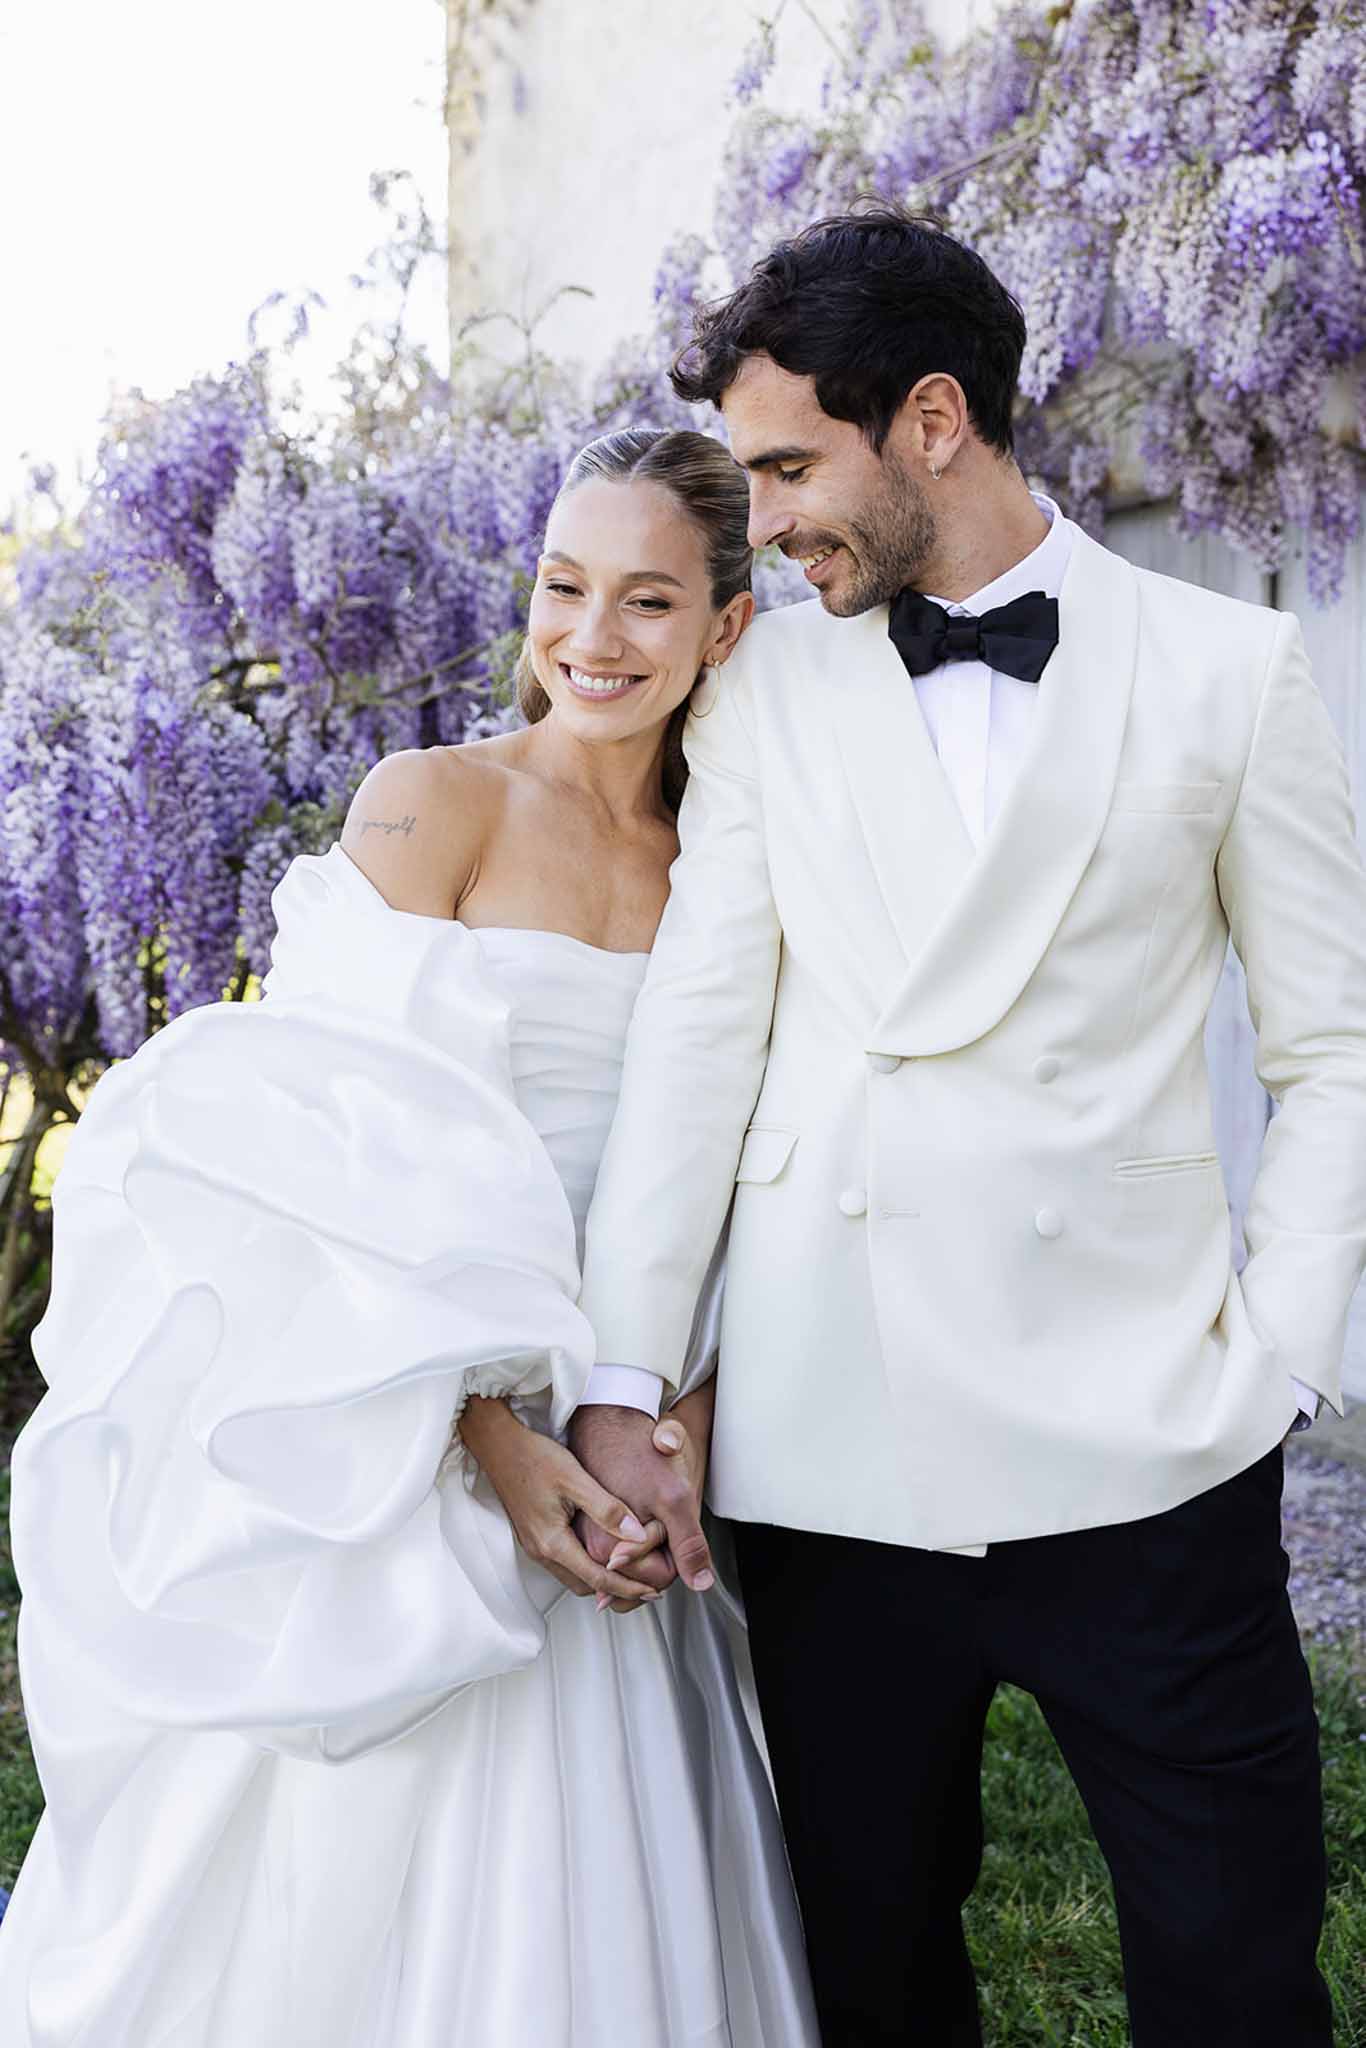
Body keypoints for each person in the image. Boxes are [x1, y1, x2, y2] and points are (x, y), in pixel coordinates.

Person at [571, 208, 1366, 2047]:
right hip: (825, 1433)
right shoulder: (767, 683)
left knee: (1235, 1970)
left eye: (786, 466)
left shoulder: (1222, 672)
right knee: (867, 1962)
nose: (756, 521)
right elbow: (703, 1036)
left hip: (1149, 1439)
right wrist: (626, 1368)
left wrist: (1281, 1357)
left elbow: (1334, 1051)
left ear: (933, 419)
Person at [0, 428, 818, 2048]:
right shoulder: (429, 804)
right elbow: (318, 1167)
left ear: (726, 628)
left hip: (642, 1437)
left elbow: (773, 1168)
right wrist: (497, 1445)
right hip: (424, 1441)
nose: (591, 640)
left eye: (648, 603)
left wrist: (684, 1420)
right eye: (564, 588)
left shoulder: (747, 855)